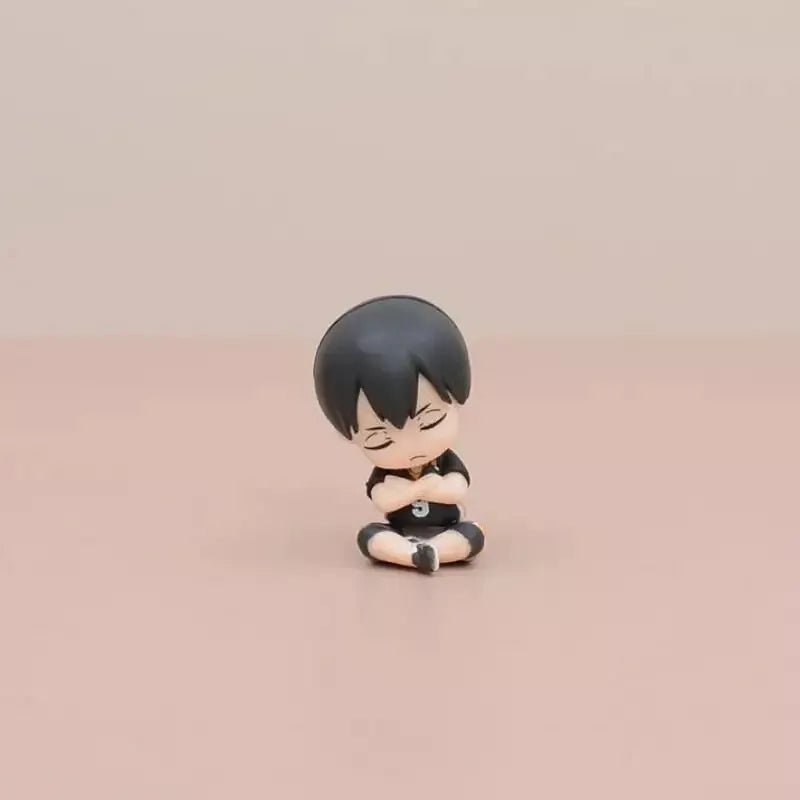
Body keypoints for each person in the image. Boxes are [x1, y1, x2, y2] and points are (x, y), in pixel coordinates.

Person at [313, 295, 485, 574]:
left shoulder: (443, 462)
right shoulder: (386, 473)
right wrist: (424, 487)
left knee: (473, 534)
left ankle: (436, 550)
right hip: (399, 531)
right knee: (370, 536)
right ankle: (411, 554)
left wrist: (413, 490)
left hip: (447, 528)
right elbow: (383, 500)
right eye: (380, 440)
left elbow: (457, 489)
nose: (410, 446)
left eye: (429, 422)